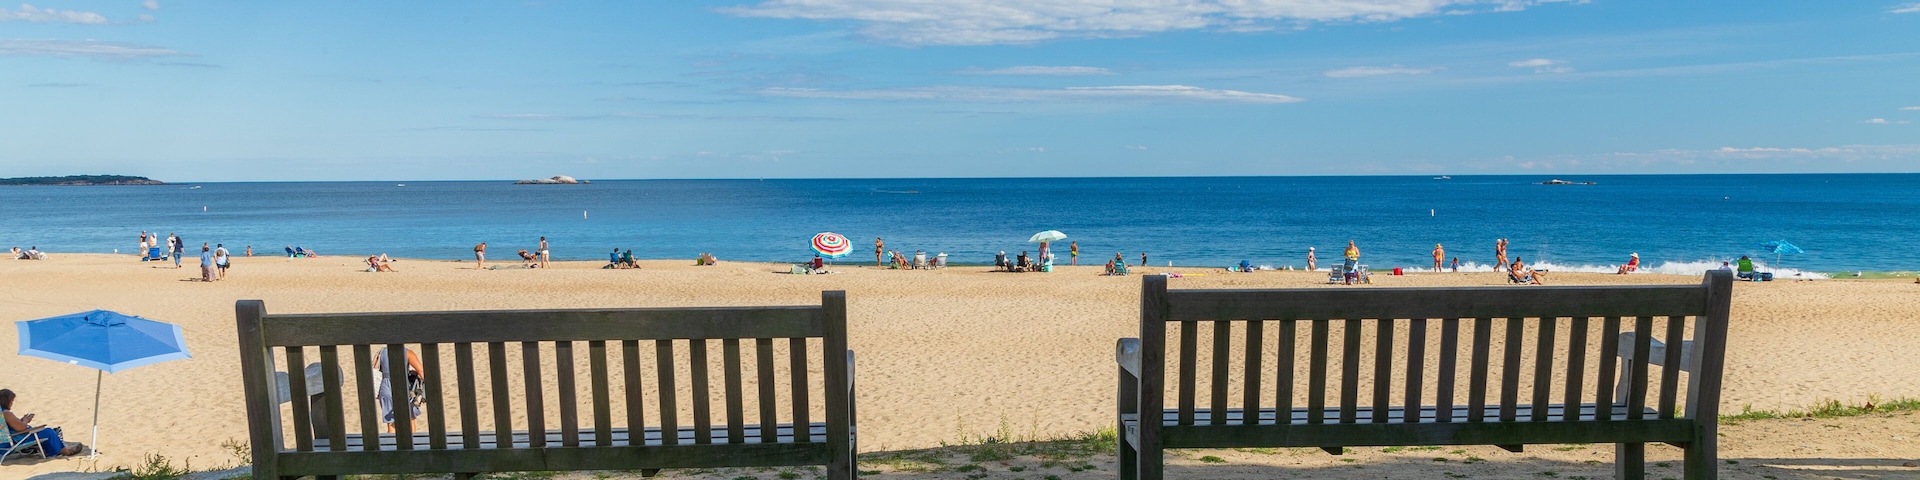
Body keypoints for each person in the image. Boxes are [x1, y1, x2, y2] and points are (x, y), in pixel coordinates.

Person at [0, 389, 84, 456]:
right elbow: (21, 428)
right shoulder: (6, 413)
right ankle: (65, 451)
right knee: (48, 431)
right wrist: (26, 421)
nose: (12, 403)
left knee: (44, 433)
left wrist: (21, 420)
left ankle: (59, 449)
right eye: (12, 401)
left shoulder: (2, 413)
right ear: (7, 401)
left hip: (4, 444)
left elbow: (11, 426)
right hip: (17, 440)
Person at [374, 347, 425, 433]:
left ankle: (392, 445)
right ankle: (412, 444)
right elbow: (421, 371)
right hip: (402, 386)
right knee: (410, 420)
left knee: (391, 424)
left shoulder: (381, 352)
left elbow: (375, 369)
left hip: (386, 387)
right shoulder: (408, 353)